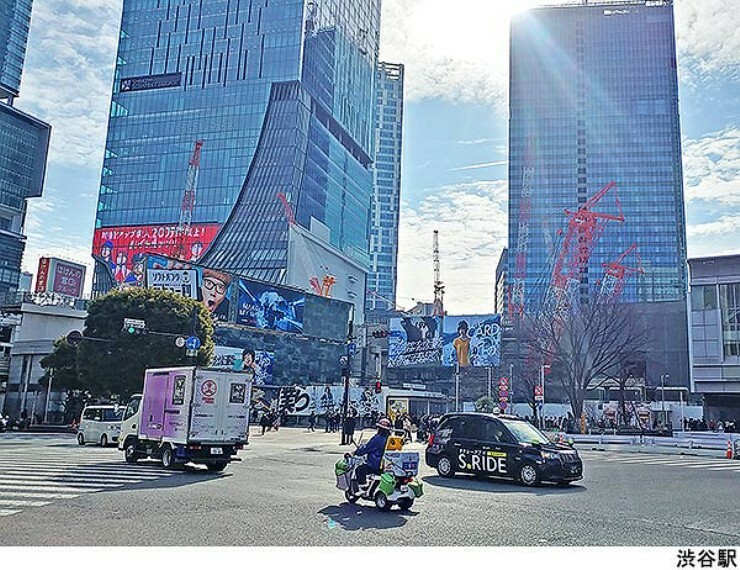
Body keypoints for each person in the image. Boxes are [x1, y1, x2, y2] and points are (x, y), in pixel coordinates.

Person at [353, 418, 392, 489]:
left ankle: (363, 487)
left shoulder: (377, 438)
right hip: (386, 464)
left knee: (359, 470)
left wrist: (357, 452)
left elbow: (367, 448)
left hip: (375, 465)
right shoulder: (391, 439)